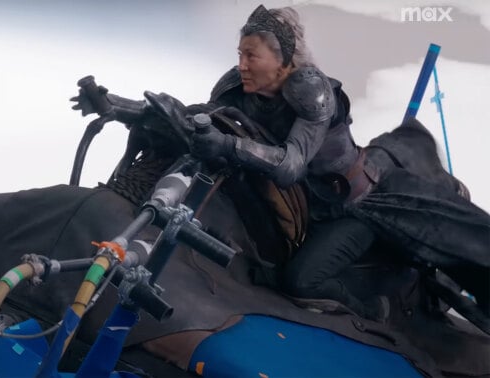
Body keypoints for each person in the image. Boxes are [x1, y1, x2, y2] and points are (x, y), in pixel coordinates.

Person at [186, 5, 490, 322]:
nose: (242, 65)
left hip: (354, 206)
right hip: (301, 207)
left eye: (252, 57)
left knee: (302, 282)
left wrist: (226, 144)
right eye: (240, 54)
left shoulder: (310, 89)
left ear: (283, 61)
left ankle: (373, 311)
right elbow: (211, 118)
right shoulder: (236, 85)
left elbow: (291, 165)